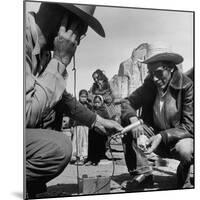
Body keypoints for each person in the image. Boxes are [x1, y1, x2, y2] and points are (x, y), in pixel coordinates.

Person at [25, 2, 123, 198]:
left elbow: (62, 98)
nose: (79, 40)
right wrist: (60, 61)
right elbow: (25, 115)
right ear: (66, 22)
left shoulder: (43, 52)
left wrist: (97, 121)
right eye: (81, 31)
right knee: (58, 148)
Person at [121, 43, 194, 189]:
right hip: (153, 134)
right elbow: (127, 103)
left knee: (186, 150)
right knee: (128, 127)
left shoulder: (187, 86)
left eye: (159, 72)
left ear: (171, 68)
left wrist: (162, 136)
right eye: (151, 72)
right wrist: (133, 119)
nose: (154, 78)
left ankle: (184, 171)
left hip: (177, 139)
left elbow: (188, 127)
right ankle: (143, 175)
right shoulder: (150, 84)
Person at [86, 95, 111, 166]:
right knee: (91, 146)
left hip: (101, 132)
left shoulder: (104, 111)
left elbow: (107, 121)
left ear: (101, 102)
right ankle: (90, 159)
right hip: (92, 131)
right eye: (95, 102)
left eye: (98, 102)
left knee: (99, 146)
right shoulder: (92, 110)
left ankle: (96, 160)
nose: (97, 104)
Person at [70, 89, 92, 165]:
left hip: (85, 126)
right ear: (79, 97)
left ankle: (83, 157)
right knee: (76, 141)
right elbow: (72, 115)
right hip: (77, 125)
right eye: (82, 96)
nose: (83, 98)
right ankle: (75, 156)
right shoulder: (76, 105)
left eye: (85, 97)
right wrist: (71, 126)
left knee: (84, 142)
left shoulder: (89, 106)